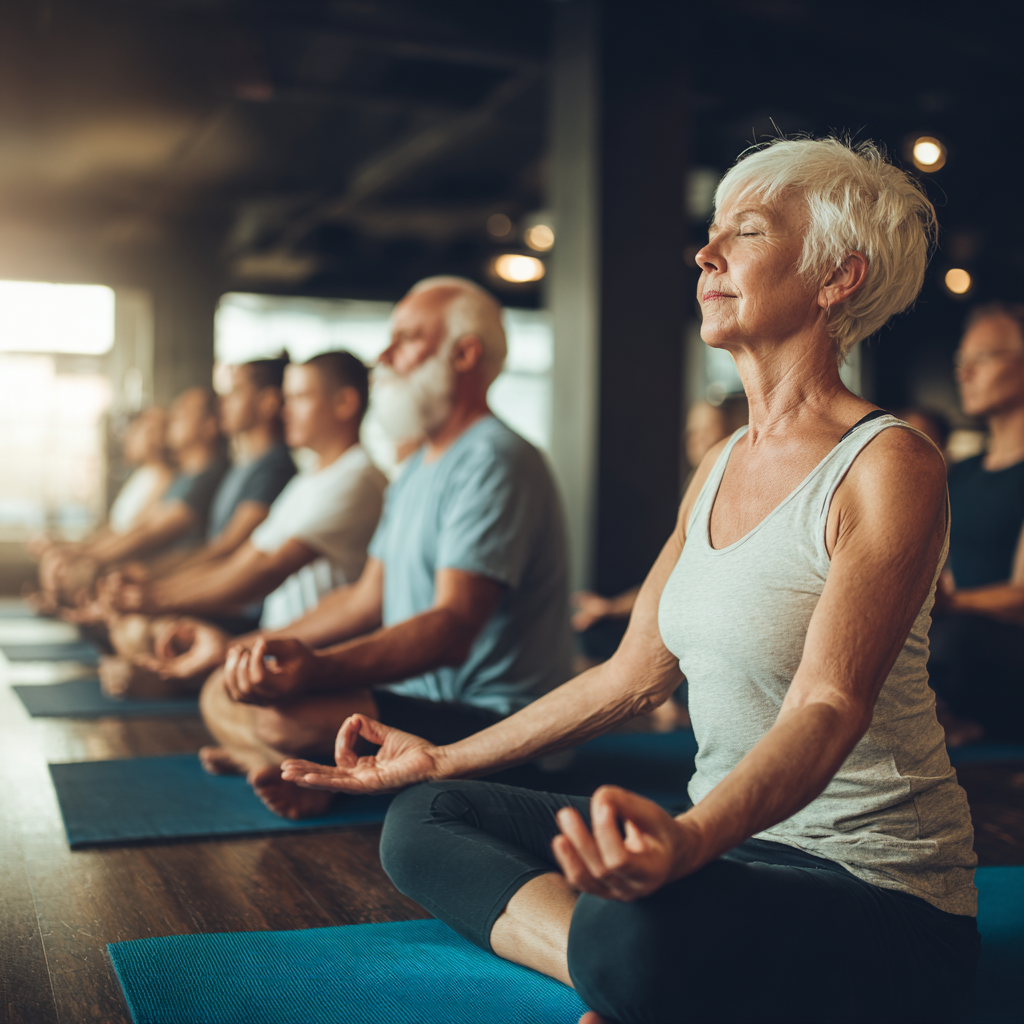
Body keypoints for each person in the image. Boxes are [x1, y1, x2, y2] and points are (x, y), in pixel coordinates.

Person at [279, 139, 980, 1024]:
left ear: (837, 276)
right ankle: (623, 976)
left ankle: (634, 966)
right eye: (711, 231)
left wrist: (686, 843)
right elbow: (629, 675)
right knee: (426, 816)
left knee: (628, 920)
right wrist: (440, 754)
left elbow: (827, 707)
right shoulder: (722, 463)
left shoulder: (889, 465)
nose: (706, 253)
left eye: (748, 232)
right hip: (735, 856)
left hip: (880, 893)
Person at [184, 276, 573, 821]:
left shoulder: (495, 459)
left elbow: (452, 629)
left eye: (408, 338)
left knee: (281, 719)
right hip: (412, 704)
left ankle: (304, 765)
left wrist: (315, 670)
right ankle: (312, 770)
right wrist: (249, 650)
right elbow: (364, 599)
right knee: (220, 689)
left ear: (464, 354)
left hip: (492, 722)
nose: (384, 356)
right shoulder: (415, 467)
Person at [104, 351, 386, 695]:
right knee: (155, 639)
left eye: (299, 398)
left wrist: (157, 597)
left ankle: (174, 683)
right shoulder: (309, 478)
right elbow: (245, 558)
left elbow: (265, 568)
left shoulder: (356, 478)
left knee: (202, 682)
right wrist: (152, 592)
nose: (286, 410)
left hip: (310, 652)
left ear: (344, 403)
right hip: (273, 638)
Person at [36, 387, 227, 607]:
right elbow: (140, 526)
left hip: (182, 581)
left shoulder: (202, 476)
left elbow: (150, 532)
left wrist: (92, 560)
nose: (174, 419)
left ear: (210, 426)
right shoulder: (183, 477)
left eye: (183, 414)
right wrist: (82, 554)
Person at [929, 303, 1024, 744]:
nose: (964, 373)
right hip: (951, 634)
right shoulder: (959, 474)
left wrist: (950, 605)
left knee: (954, 639)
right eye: (960, 362)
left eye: (982, 358)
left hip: (999, 647)